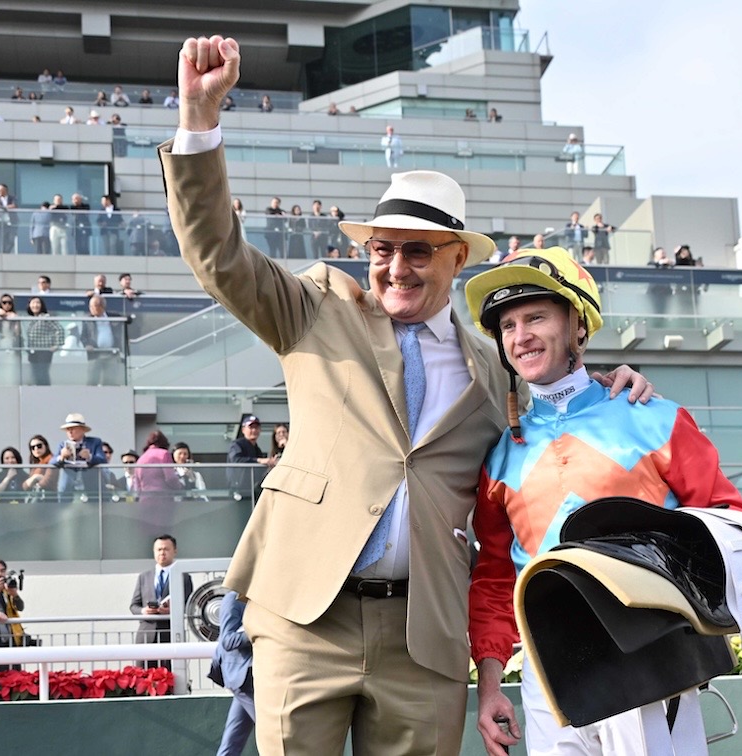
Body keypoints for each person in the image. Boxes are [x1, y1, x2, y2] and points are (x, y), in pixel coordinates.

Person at [162, 36, 651, 755]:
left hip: (425, 641)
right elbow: (217, 253)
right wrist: (200, 119)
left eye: (418, 250)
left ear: (458, 258)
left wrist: (611, 384)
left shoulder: (497, 375)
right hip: (306, 618)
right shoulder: (314, 308)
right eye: (383, 248)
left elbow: (559, 421)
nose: (395, 266)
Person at [463, 248, 742, 755]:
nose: (520, 336)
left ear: (578, 325)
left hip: (649, 659)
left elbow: (729, 523)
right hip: (545, 675)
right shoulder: (502, 455)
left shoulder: (652, 416)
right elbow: (494, 579)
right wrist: (489, 687)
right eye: (507, 326)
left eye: (535, 317)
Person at [129, 534, 193, 669]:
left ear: (174, 551)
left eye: (166, 549)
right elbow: (134, 605)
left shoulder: (184, 577)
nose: (162, 553)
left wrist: (172, 610)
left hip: (170, 633)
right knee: (143, 678)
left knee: (170, 676)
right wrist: (143, 611)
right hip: (146, 634)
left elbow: (189, 605)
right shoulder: (144, 577)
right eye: (158, 549)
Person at [209, 591, 256, 756]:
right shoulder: (233, 598)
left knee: (232, 742)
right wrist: (258, 633)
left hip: (248, 678)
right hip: (241, 677)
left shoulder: (259, 597)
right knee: (272, 730)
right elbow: (227, 640)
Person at [134, 430, 181, 533]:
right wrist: (180, 487)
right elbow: (170, 478)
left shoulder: (141, 459)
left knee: (148, 534)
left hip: (144, 501)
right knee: (164, 534)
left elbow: (136, 487)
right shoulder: (164, 454)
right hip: (162, 500)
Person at [53, 413, 107, 495]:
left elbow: (103, 460)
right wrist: (61, 457)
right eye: (68, 429)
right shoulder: (62, 445)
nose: (70, 432)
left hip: (90, 488)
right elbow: (51, 462)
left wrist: (89, 457)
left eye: (73, 428)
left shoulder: (94, 442)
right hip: (67, 489)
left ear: (82, 429)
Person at [226, 414, 276, 498]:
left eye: (256, 427)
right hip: (238, 491)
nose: (254, 430)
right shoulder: (237, 444)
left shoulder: (257, 449)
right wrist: (258, 460)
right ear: (243, 429)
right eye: (251, 427)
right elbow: (236, 460)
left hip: (252, 491)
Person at [80, 295, 125, 385]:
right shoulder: (87, 319)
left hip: (112, 354)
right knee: (92, 380)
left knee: (110, 381)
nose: (91, 308)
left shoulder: (114, 317)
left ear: (101, 306)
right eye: (90, 306)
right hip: (95, 354)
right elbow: (83, 336)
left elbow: (128, 320)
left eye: (93, 306)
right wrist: (87, 344)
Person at [24, 297, 63, 385]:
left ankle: (45, 392)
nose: (35, 305)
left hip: (44, 351)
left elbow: (59, 329)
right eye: (33, 303)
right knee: (35, 374)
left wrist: (57, 345)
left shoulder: (45, 317)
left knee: (42, 373)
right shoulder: (30, 320)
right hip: (33, 352)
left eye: (38, 303)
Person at [0, 183, 18, 254]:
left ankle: (7, 252)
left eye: (0, 190)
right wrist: (6, 207)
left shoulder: (12, 198)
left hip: (12, 222)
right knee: (3, 240)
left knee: (11, 240)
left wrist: (4, 208)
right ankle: (4, 254)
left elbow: (14, 206)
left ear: (5, 190)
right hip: (2, 222)